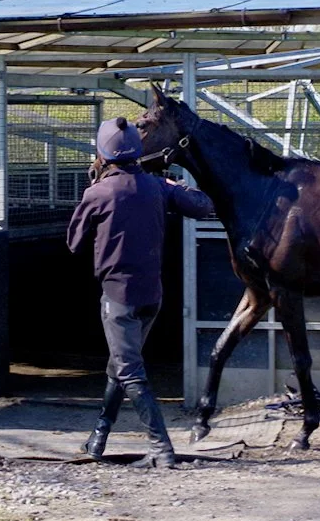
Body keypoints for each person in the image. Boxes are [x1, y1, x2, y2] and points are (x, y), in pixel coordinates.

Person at [67, 116, 214, 468]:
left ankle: (161, 449)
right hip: (153, 297)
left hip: (118, 298)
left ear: (103, 155)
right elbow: (205, 206)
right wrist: (172, 184)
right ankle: (98, 438)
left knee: (129, 371)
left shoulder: (97, 193)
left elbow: (73, 243)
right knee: (119, 365)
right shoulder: (156, 187)